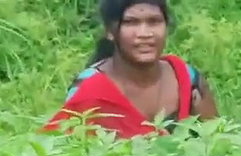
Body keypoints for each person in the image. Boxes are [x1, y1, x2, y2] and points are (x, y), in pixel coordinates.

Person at [43, 0, 218, 139]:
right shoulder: (89, 89)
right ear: (110, 32)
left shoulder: (187, 79)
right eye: (131, 22)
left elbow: (219, 145)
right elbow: (63, 154)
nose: (145, 33)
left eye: (154, 22)